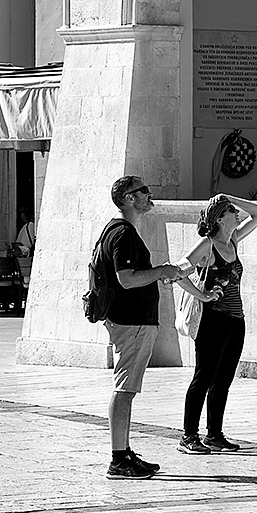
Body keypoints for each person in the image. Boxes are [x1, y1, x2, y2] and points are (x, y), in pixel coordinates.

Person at [92, 176, 195, 481]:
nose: (150, 195)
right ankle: (119, 458)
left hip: (129, 320)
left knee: (126, 388)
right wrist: (162, 270)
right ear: (128, 198)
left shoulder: (117, 230)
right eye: (144, 191)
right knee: (125, 390)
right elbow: (126, 278)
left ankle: (123, 453)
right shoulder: (123, 233)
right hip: (131, 321)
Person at [179, 195, 255, 456]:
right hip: (213, 320)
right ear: (220, 218)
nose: (237, 214)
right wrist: (202, 295)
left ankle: (214, 435)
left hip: (236, 320)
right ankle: (189, 436)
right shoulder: (208, 245)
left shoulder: (232, 240)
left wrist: (230, 197)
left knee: (223, 380)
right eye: (232, 211)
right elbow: (179, 271)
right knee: (203, 377)